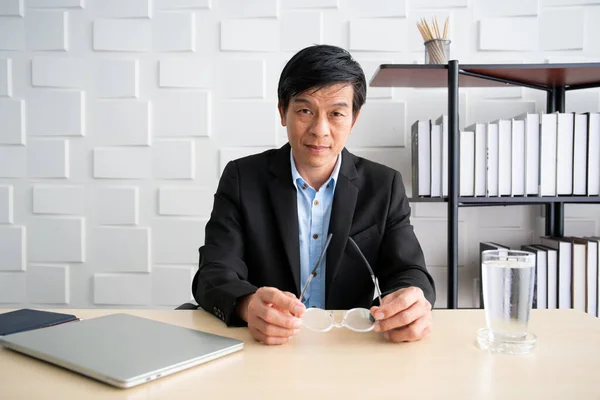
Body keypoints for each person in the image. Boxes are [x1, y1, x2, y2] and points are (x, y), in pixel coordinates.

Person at [192, 44, 435, 345]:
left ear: (354, 119)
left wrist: (410, 301)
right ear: (283, 111)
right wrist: (247, 304)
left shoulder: (383, 185)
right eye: (305, 110)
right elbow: (213, 273)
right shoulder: (242, 179)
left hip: (351, 347)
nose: (320, 130)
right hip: (266, 349)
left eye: (336, 114)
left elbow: (409, 271)